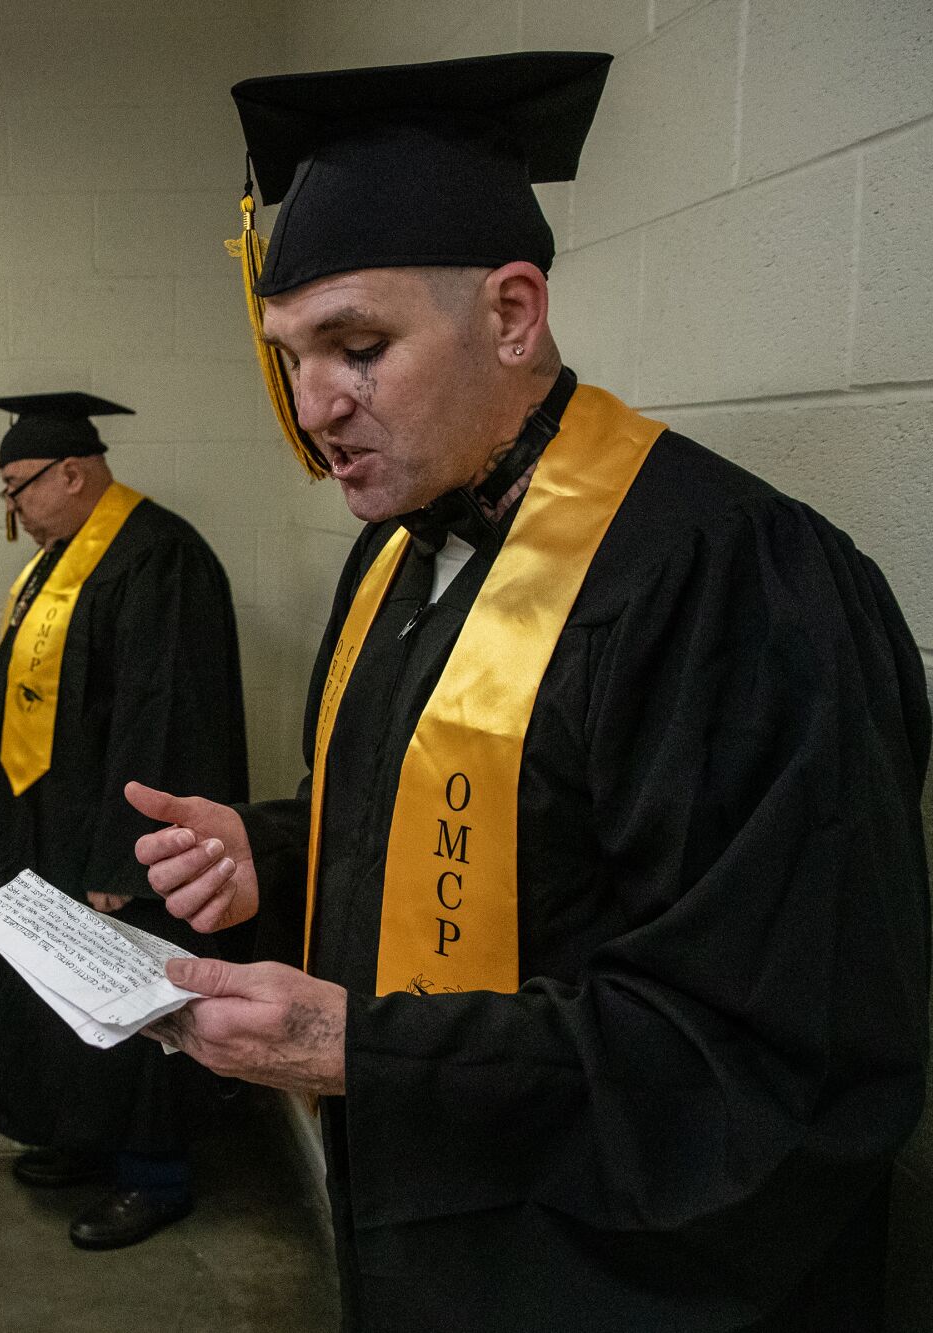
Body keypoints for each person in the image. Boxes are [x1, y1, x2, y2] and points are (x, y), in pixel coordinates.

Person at [128, 52, 929, 1331]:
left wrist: (359, 1050)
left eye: (358, 346)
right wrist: (271, 852)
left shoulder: (724, 581)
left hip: (615, 1271)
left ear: (512, 314)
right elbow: (493, 838)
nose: (314, 405)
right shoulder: (396, 553)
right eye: (290, 355)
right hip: (431, 1231)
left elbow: (772, 1037)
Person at [0, 392, 250, 1248]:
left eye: (17, 487)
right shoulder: (58, 560)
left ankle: (156, 1174)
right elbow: (78, 686)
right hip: (52, 824)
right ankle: (87, 1135)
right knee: (68, 988)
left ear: (71, 472)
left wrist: (126, 860)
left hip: (118, 843)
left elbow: (168, 713)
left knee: (140, 990)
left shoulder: (160, 557)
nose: (11, 507)